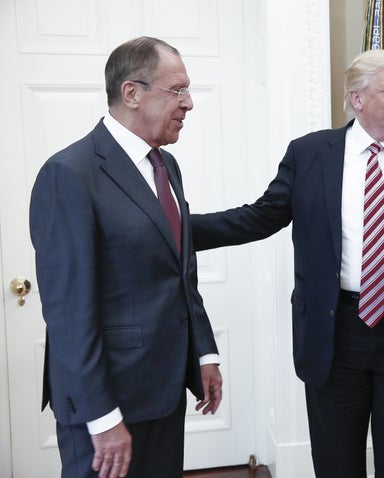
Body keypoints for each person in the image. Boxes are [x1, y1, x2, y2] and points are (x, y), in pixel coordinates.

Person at [191, 49, 384, 478]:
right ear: (357, 99)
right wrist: (176, 230)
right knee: (336, 460)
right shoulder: (309, 154)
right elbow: (262, 216)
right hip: (333, 331)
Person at [29, 36, 222, 478]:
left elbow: (179, 270)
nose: (189, 103)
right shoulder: (69, 174)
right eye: (178, 90)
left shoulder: (165, 165)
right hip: (109, 405)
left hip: (165, 390)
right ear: (132, 93)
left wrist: (204, 355)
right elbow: (68, 314)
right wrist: (102, 417)